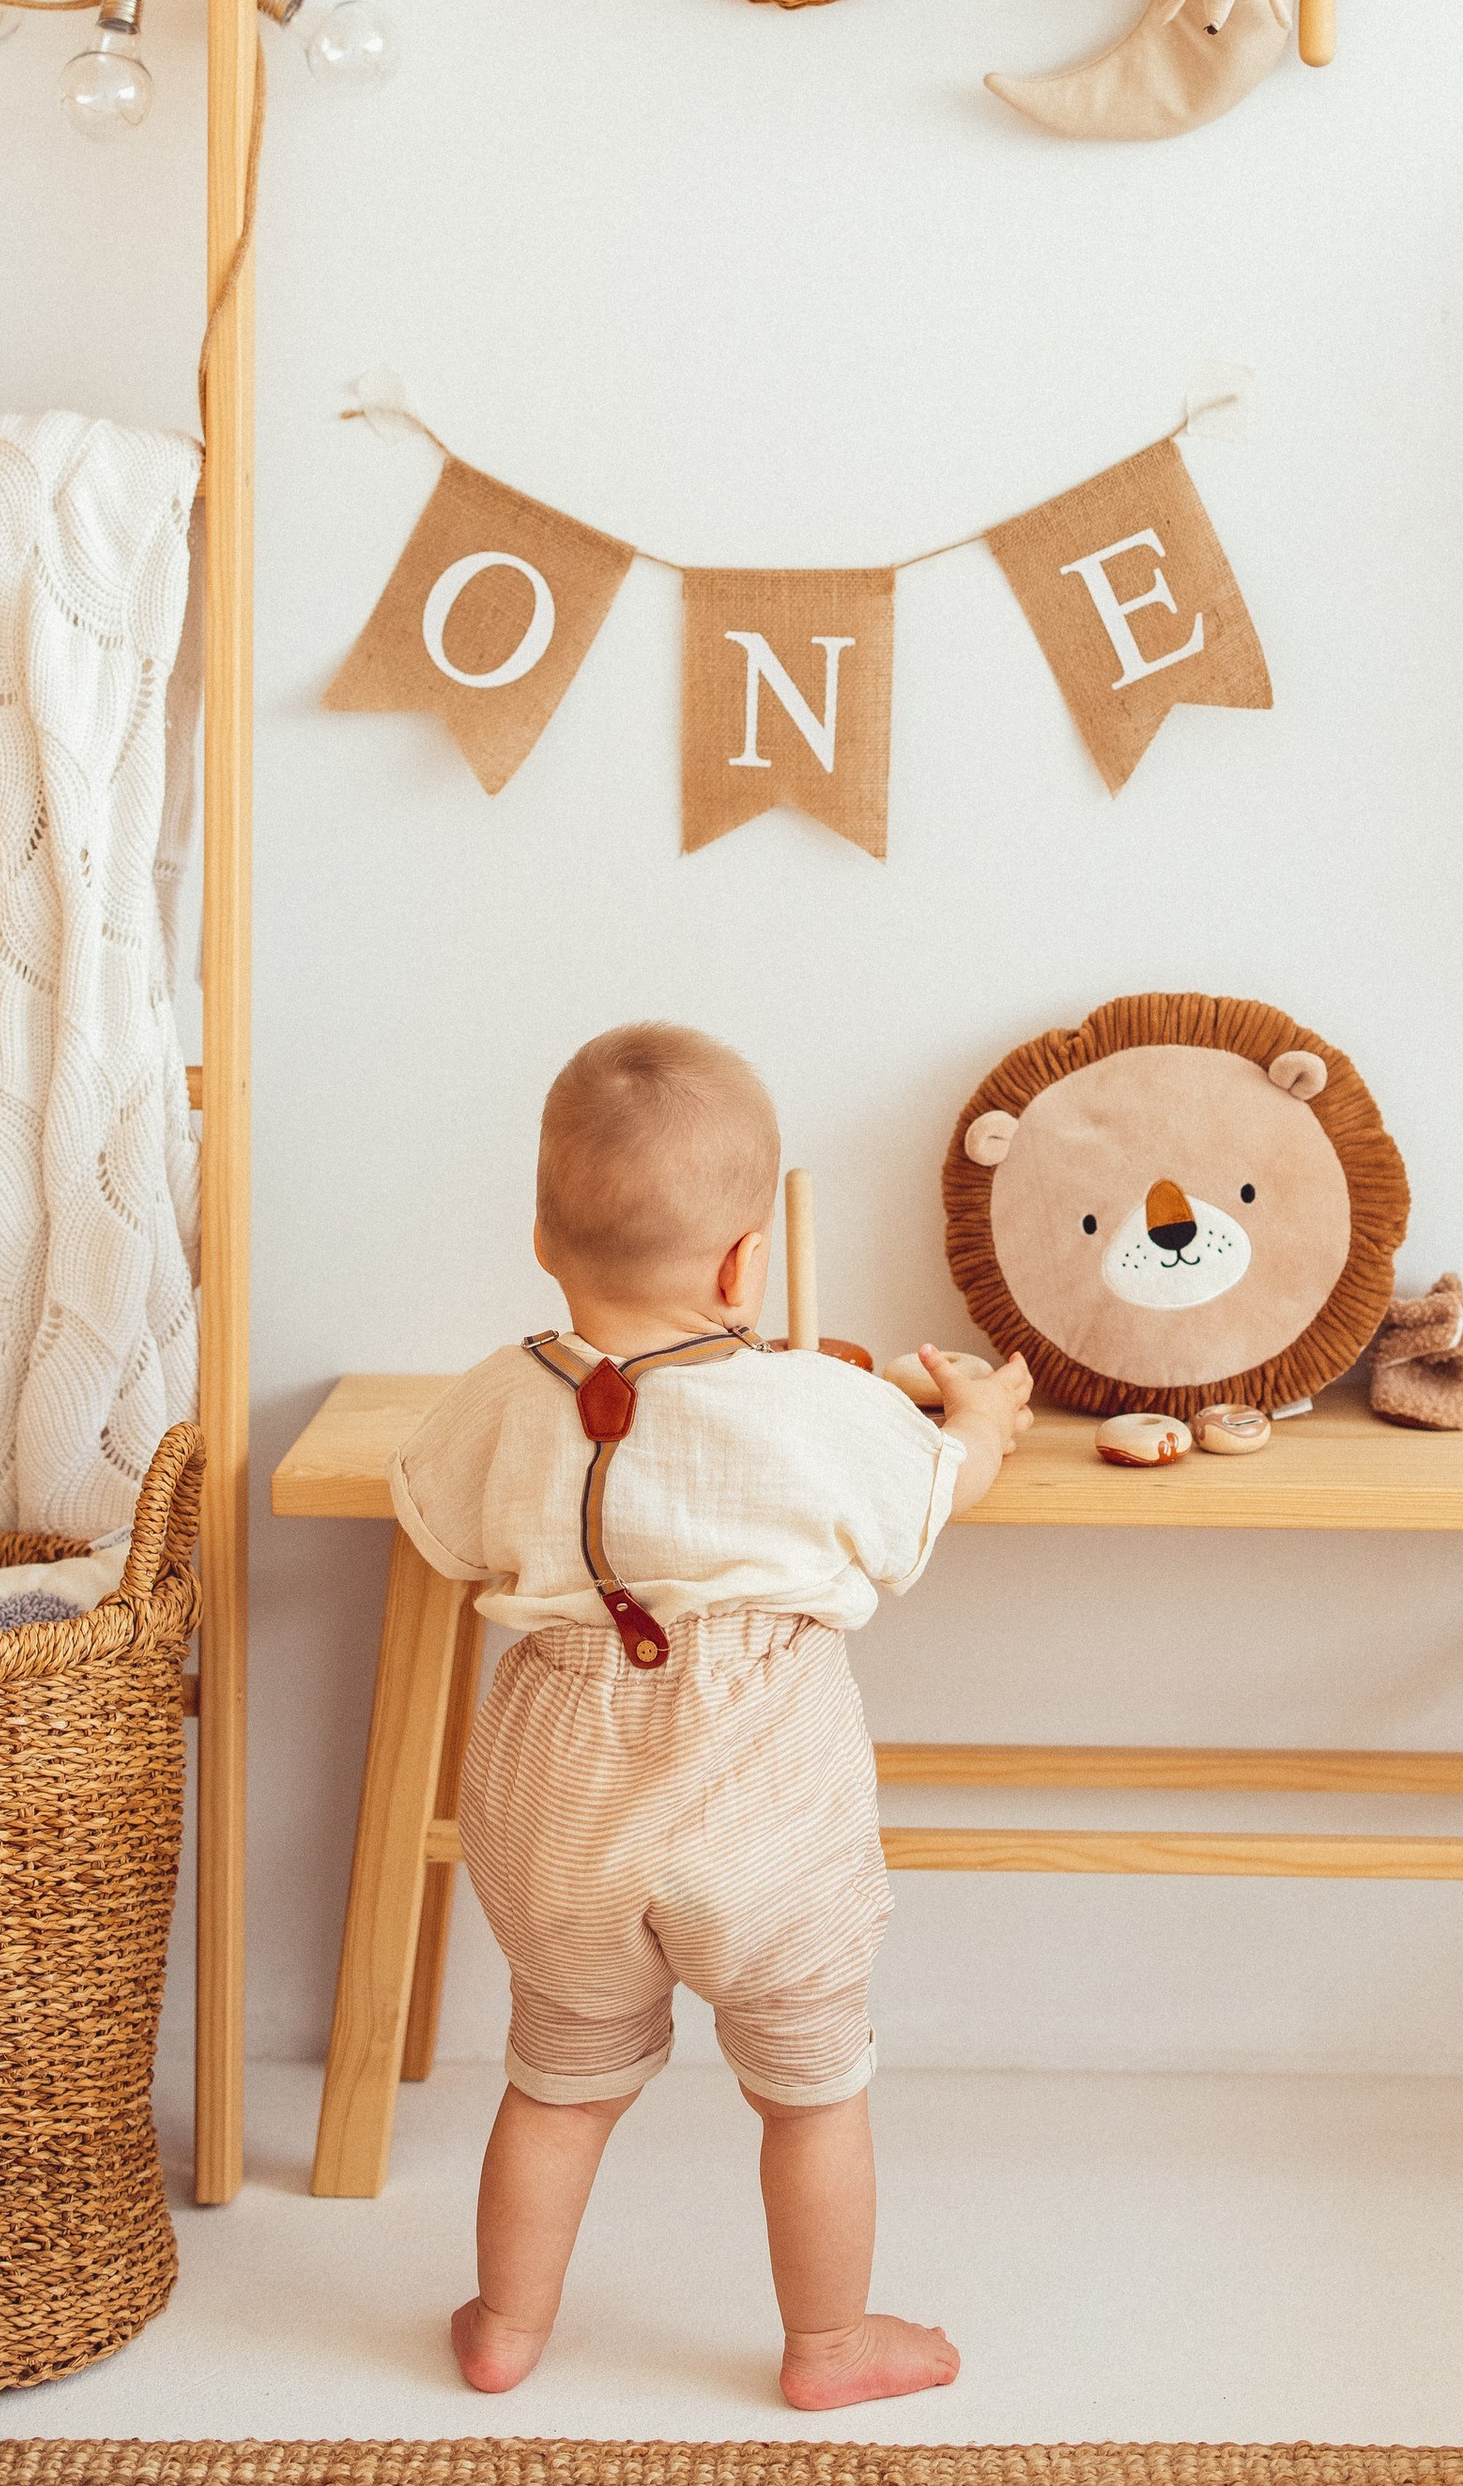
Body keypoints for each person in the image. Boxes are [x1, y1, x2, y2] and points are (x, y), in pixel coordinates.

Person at [387, 1021, 1033, 2410]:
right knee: (811, 2091)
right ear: (748, 1265)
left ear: (542, 1240)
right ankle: (827, 2345)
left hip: (561, 1802)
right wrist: (983, 1417)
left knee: (559, 2081)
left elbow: (436, 1522)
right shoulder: (816, 1404)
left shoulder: (499, 1397)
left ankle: (506, 2327)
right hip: (764, 1805)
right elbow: (940, 1490)